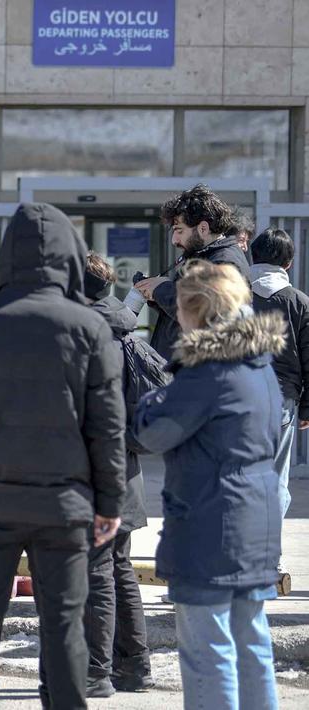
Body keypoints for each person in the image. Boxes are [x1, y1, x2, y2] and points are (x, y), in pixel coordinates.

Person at [0, 203, 126, 710]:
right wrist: (110, 501)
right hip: (66, 503)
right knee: (63, 622)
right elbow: (106, 427)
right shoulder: (89, 327)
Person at [133, 261, 283, 710]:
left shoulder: (206, 371)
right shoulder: (259, 363)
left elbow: (151, 431)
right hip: (255, 521)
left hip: (210, 521)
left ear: (195, 311)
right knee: (251, 644)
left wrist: (159, 391)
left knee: (207, 652)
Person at [84, 253, 168, 695]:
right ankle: (135, 667)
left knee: (92, 573)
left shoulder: (80, 338)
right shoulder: (127, 333)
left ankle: (95, 671)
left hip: (86, 475)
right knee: (119, 570)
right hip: (127, 471)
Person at [134, 184, 248, 360]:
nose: (174, 240)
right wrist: (155, 294)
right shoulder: (204, 256)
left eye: (179, 231)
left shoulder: (225, 263)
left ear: (203, 228)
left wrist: (161, 289)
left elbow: (204, 312)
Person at [250, 227, 309, 525]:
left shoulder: (232, 296)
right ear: (288, 263)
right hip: (280, 398)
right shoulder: (298, 302)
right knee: (274, 477)